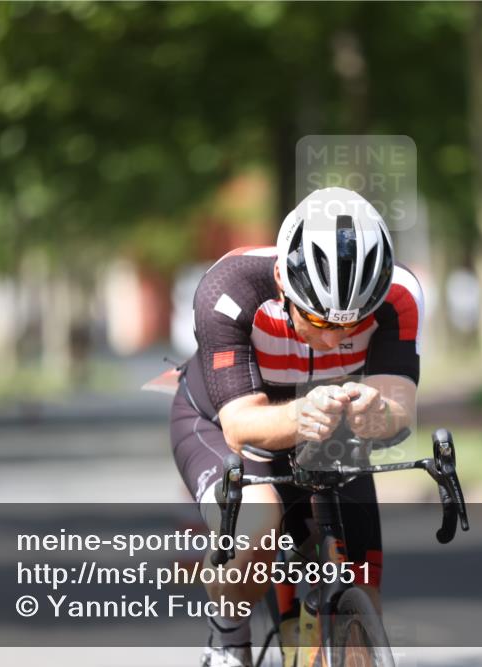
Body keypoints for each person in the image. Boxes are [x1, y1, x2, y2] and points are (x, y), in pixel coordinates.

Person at [169, 187, 423, 667]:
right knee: (259, 526)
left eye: (352, 325)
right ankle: (227, 637)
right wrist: (298, 414)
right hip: (219, 421)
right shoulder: (229, 289)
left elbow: (399, 408)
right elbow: (241, 425)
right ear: (283, 284)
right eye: (316, 319)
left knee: (362, 588)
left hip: (329, 429)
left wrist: (377, 412)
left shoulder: (399, 296)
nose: (333, 338)